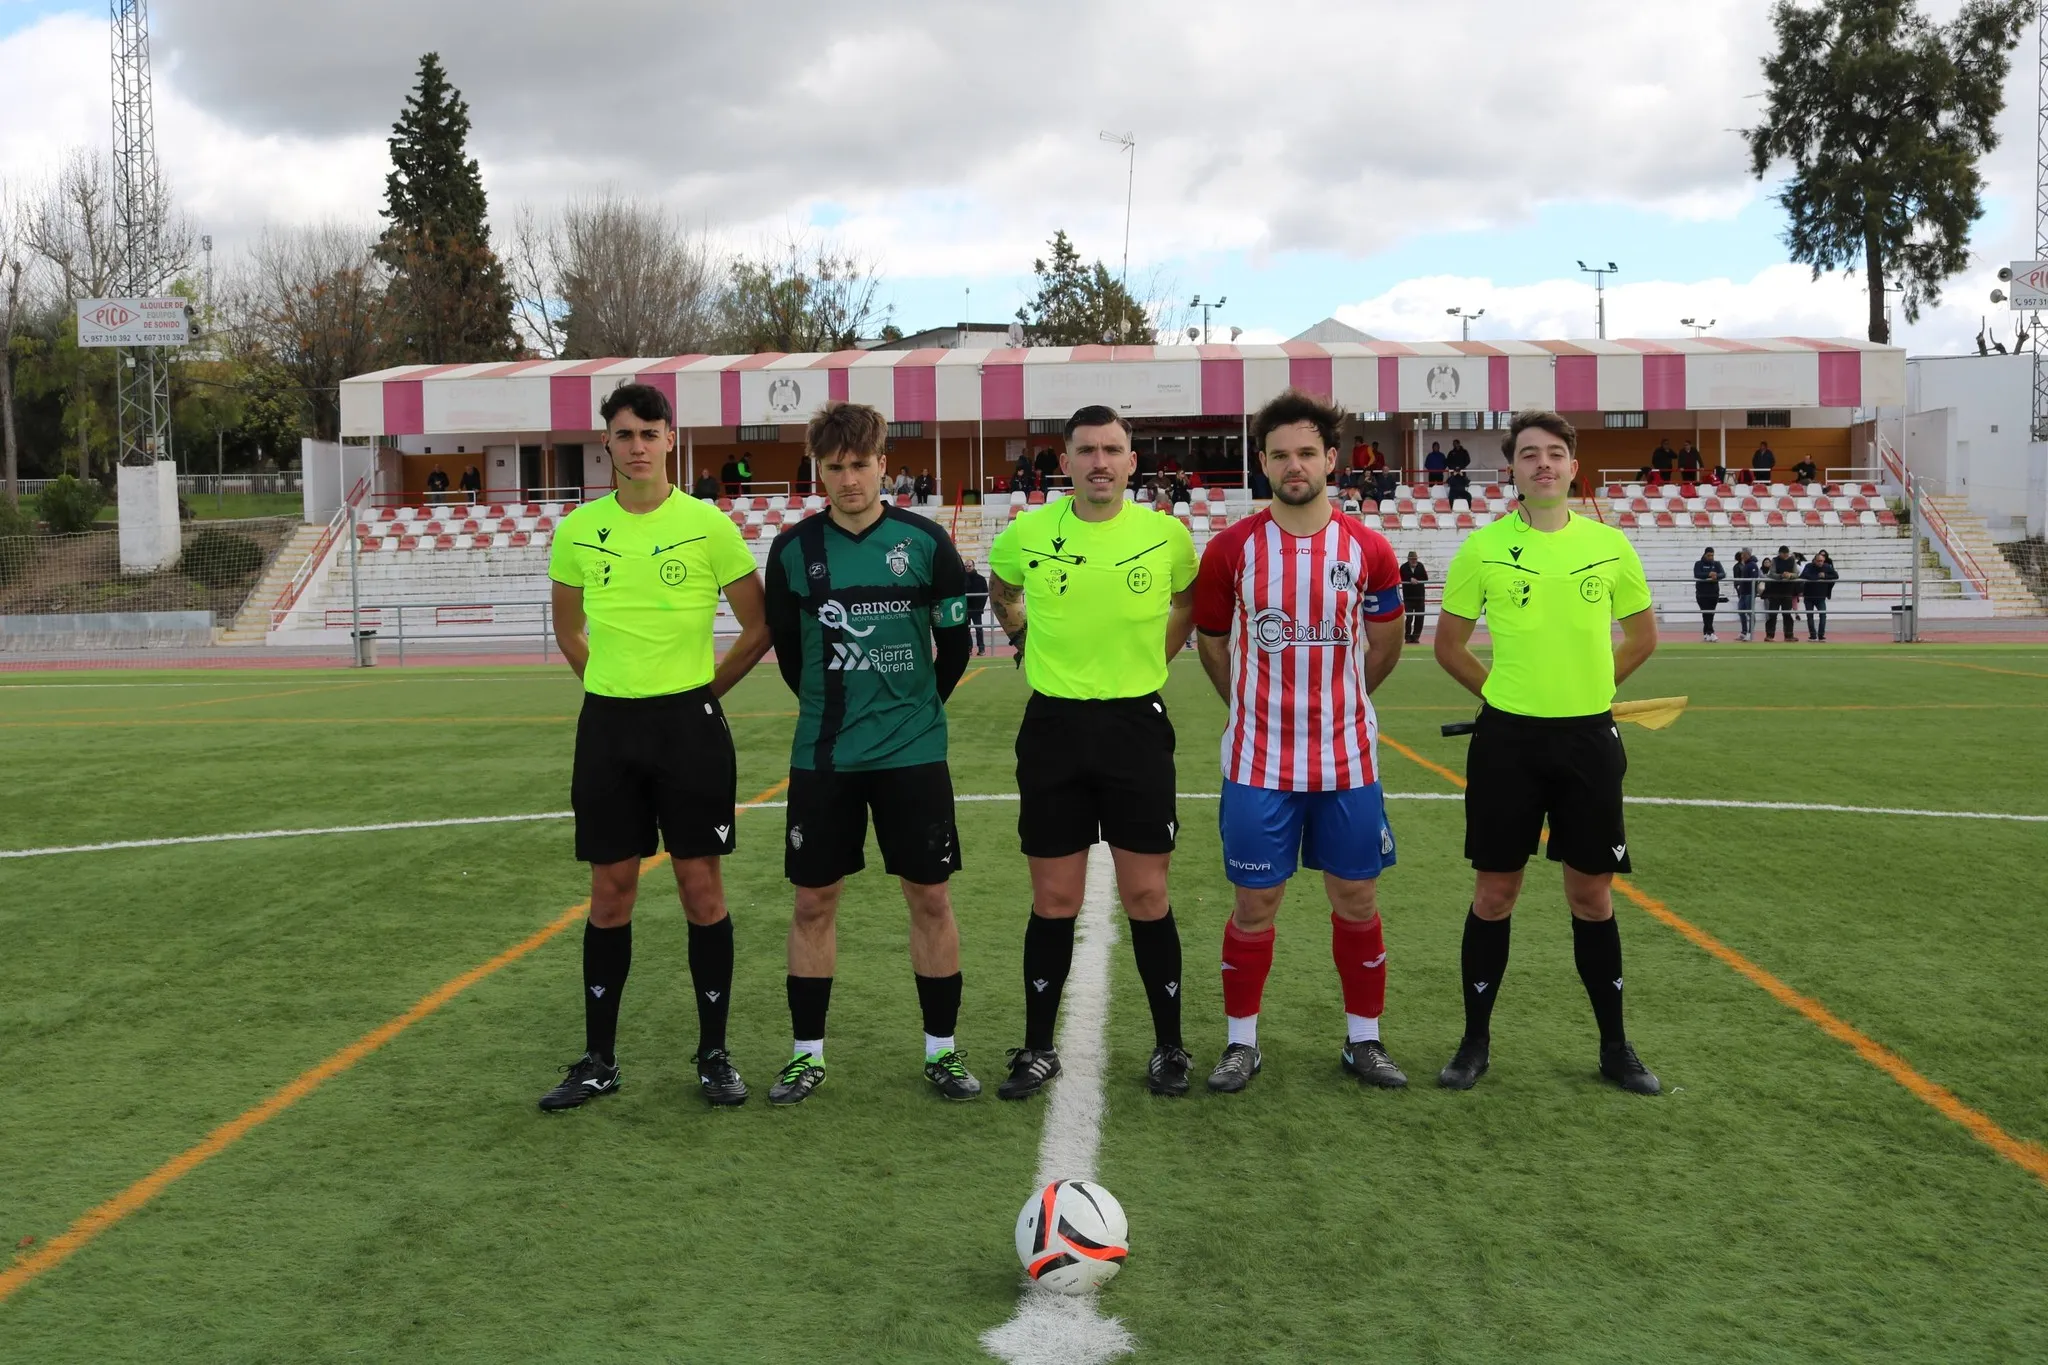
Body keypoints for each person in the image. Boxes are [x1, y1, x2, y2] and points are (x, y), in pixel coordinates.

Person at [538, 383, 773, 1112]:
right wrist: (611, 687)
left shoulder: (708, 526)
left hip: (689, 728)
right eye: (624, 433)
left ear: (671, 438)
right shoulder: (578, 530)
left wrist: (702, 694)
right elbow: (568, 629)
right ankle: (599, 1060)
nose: (637, 446)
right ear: (606, 443)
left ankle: (714, 1054)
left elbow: (759, 625)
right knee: (610, 891)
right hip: (608, 728)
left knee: (701, 888)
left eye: (649, 432)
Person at [1433, 409, 1662, 1096]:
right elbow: (1449, 646)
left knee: (1591, 896)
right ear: (1512, 468)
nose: (1543, 464)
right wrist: (1503, 696)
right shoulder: (1482, 549)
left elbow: (1643, 637)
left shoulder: (1610, 546)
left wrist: (1591, 691)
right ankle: (1474, 1042)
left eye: (1555, 453)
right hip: (1507, 742)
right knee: (1494, 893)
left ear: (1572, 467)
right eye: (1529, 453)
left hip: (1588, 741)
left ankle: (1615, 1046)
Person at [1192, 389, 1409, 1094]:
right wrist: (1248, 709)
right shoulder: (1231, 549)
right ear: (1261, 462)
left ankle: (1364, 1040)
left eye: (1307, 452)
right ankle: (1241, 1043)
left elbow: (1385, 645)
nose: (1294, 465)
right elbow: (1212, 643)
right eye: (1280, 454)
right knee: (1254, 905)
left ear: (1331, 459)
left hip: (1348, 761)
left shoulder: (1369, 549)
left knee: (1356, 899)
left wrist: (1345, 702)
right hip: (1258, 762)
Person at [761, 402, 979, 1104]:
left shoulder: (925, 543)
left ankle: (943, 1052)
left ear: (884, 464)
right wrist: (839, 711)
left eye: (860, 464)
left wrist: (913, 712)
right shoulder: (793, 552)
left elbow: (955, 647)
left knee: (931, 897)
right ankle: (806, 1056)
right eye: (835, 467)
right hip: (825, 757)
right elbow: (791, 659)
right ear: (818, 471)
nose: (849, 479)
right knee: (813, 901)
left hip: (913, 754)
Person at [987, 404, 1199, 1099]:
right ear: (1066, 461)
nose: (1100, 462)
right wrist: (1020, 634)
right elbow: (1002, 586)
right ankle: (1038, 1047)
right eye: (1087, 450)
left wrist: (1155, 658)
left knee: (1147, 893)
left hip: (1135, 727)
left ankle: (1169, 1046)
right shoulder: (1028, 532)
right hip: (1054, 728)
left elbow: (1187, 601)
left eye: (1112, 450)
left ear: (1132, 462)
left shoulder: (1166, 536)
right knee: (1054, 898)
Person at [1765, 544, 1801, 641]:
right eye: (1783, 554)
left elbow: (1796, 573)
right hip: (1775, 591)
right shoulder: (1775, 560)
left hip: (1787, 591)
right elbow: (1771, 574)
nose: (1785, 555)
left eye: (1787, 554)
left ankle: (1789, 635)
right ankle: (1769, 635)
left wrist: (1790, 575)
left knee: (1787, 614)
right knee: (1772, 614)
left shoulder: (1792, 560)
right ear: (1779, 553)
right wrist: (1781, 576)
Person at [1801, 549, 1838, 641]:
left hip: (1821, 596)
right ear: (1814, 560)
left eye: (1821, 561)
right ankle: (1813, 635)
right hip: (1809, 596)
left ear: (1824, 560)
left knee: (1823, 615)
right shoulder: (1809, 566)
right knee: (1810, 616)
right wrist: (1818, 576)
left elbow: (1835, 576)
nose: (1820, 563)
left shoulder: (1827, 567)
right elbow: (1804, 575)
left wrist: (1825, 576)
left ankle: (1821, 635)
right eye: (1818, 561)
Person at [1694, 547, 1725, 641]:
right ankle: (1710, 632)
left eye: (1712, 555)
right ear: (1705, 555)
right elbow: (1697, 574)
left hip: (1713, 593)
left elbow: (1723, 574)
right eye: (1709, 555)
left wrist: (1716, 576)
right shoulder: (1698, 564)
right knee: (1705, 613)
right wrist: (1708, 574)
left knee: (1711, 613)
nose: (1711, 557)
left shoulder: (1717, 564)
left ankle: (1707, 633)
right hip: (1702, 593)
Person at [1400, 550, 1429, 644]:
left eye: (1415, 559)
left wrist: (1416, 579)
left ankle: (1416, 636)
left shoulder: (1420, 566)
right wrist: (1409, 579)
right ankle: (1407, 636)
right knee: (1409, 618)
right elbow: (1400, 577)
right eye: (1412, 559)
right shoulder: (1403, 567)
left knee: (1419, 618)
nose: (1414, 561)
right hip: (1408, 597)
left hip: (1419, 596)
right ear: (1408, 559)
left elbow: (1425, 578)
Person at [963, 557, 990, 655]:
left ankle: (981, 648)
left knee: (979, 629)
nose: (967, 568)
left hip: (976, 609)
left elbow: (985, 593)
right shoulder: (961, 579)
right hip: (965, 608)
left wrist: (980, 606)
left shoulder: (981, 579)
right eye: (966, 566)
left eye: (969, 566)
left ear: (973, 566)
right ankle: (968, 648)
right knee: (966, 629)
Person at [1733, 547, 1760, 641]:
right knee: (1741, 611)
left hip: (1749, 592)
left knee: (1750, 612)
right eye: (1742, 554)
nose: (1742, 556)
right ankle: (1744, 632)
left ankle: (1750, 632)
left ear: (1748, 555)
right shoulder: (1745, 565)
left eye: (1744, 554)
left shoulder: (1752, 565)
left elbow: (1754, 578)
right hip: (1743, 592)